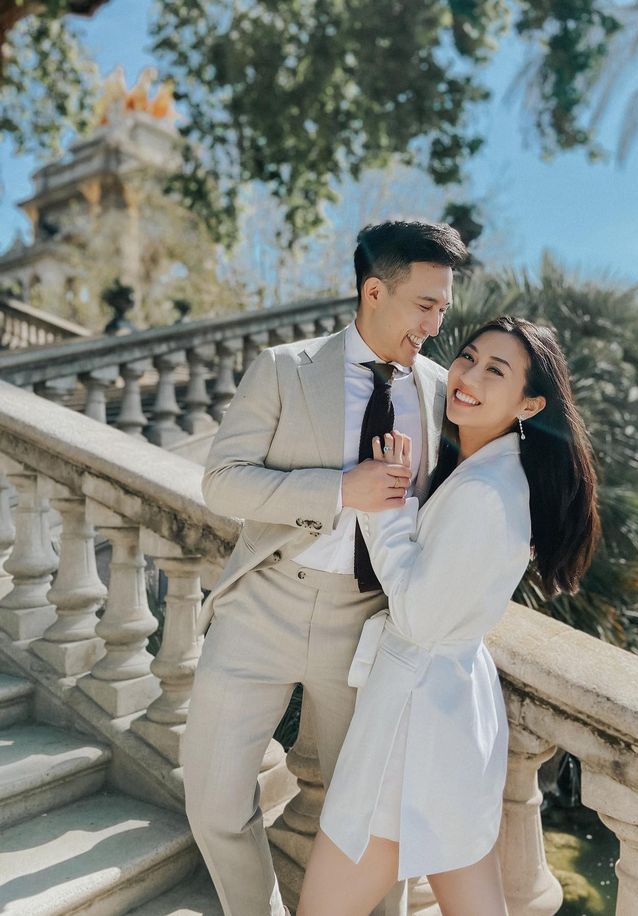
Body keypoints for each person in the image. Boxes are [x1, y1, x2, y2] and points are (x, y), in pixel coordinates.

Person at [181, 220, 468, 916]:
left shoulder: (440, 392)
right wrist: (341, 488)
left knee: (370, 826)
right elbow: (223, 482)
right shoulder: (284, 367)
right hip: (261, 608)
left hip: (367, 629)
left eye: (443, 306)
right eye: (425, 304)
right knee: (215, 801)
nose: (437, 322)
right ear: (375, 291)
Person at [298, 316, 601, 916]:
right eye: (468, 357)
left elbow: (419, 614)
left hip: (413, 730)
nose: (468, 375)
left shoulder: (488, 493)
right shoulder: (483, 470)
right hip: (438, 712)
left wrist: (382, 506)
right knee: (471, 894)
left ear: (530, 404)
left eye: (497, 370)